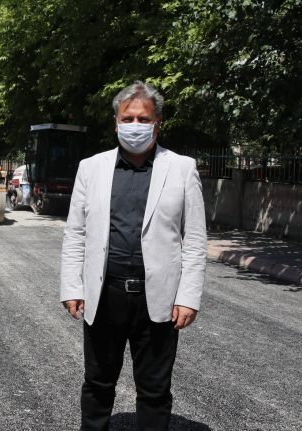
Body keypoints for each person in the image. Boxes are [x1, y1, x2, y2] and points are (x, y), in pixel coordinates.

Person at [60, 81, 207, 431]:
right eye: (128, 118)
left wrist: (188, 297)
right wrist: (72, 286)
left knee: (154, 389)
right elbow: (75, 232)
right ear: (116, 122)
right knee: (98, 383)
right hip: (105, 293)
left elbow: (195, 238)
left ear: (158, 123)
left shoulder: (182, 168)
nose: (135, 125)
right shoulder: (91, 168)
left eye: (144, 119)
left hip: (158, 298)